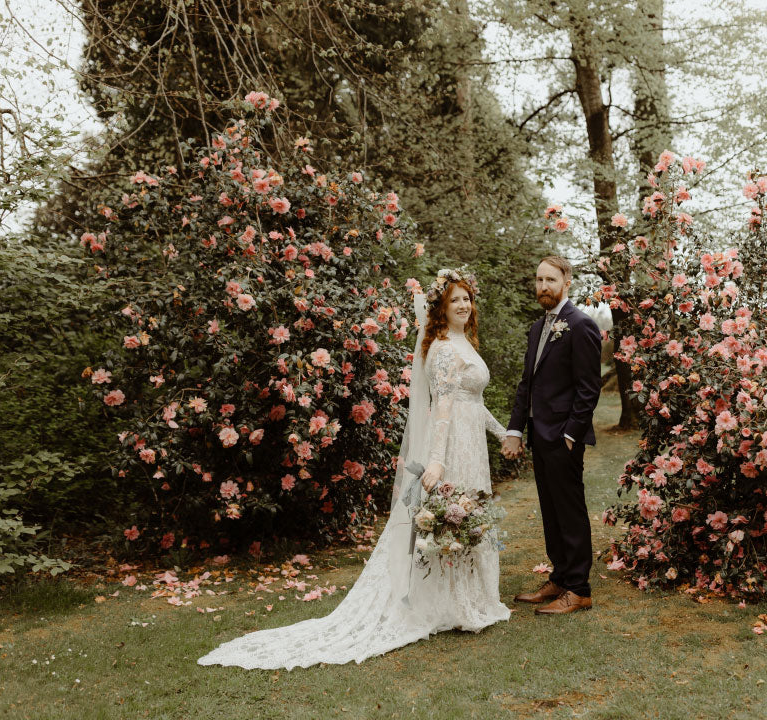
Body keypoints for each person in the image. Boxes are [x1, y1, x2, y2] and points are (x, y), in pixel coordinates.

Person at [198, 269, 509, 670]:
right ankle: (451, 603)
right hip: (451, 447)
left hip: (472, 445)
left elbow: (472, 402)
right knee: (452, 516)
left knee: (466, 515)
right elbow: (443, 406)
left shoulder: (464, 341)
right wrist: (437, 459)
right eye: (455, 300)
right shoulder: (445, 348)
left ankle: (467, 597)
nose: (464, 305)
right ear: (441, 308)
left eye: (467, 298)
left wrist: (504, 433)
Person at [502, 256, 602, 615]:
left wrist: (571, 435)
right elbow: (526, 385)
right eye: (539, 279)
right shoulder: (537, 328)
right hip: (539, 436)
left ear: (566, 282)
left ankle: (579, 589)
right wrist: (515, 429)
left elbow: (588, 389)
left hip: (563, 437)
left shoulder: (581, 325)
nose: (543, 286)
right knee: (551, 510)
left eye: (550, 280)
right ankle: (560, 578)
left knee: (570, 511)